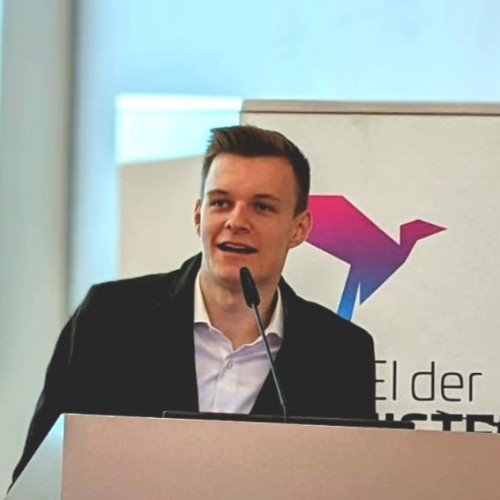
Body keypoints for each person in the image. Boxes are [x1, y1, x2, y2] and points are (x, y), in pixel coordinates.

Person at [12, 125, 376, 485]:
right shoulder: (109, 318)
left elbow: (353, 487)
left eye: (262, 207)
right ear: (199, 215)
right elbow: (38, 482)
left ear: (299, 228)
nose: (236, 221)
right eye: (221, 203)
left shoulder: (340, 353)